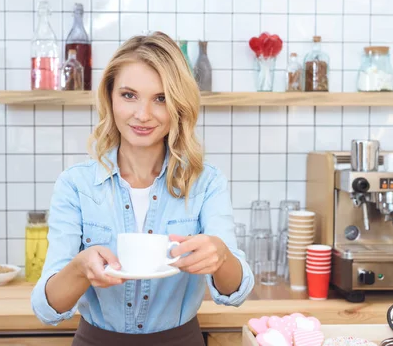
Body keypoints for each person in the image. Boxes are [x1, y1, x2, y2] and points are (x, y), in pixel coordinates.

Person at [30, 31, 254, 346]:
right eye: (129, 95)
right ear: (109, 96)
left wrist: (221, 256)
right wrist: (80, 269)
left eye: (160, 98)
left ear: (178, 105)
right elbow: (47, 308)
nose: (143, 114)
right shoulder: (75, 184)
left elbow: (237, 292)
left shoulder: (207, 183)